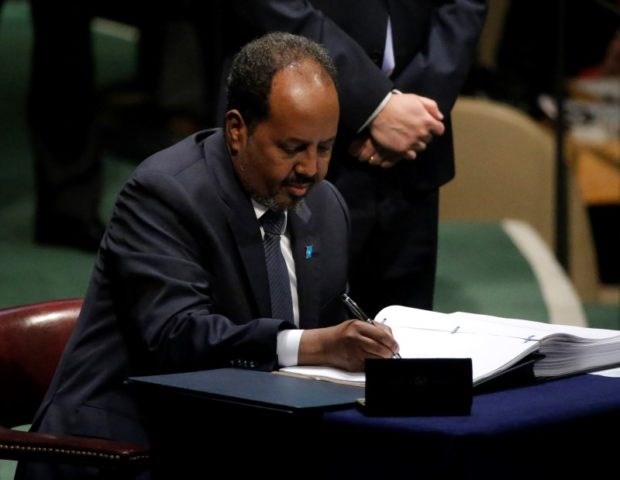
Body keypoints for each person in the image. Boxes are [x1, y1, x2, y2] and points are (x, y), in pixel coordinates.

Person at [16, 32, 399, 480]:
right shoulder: (166, 194)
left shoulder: (327, 208)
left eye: (325, 148)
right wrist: (313, 344)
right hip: (131, 449)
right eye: (292, 148)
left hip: (243, 441)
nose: (310, 170)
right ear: (237, 130)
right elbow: (176, 335)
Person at [211, 0, 488, 316]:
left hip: (412, 148)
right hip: (291, 131)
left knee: (403, 343)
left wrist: (418, 109)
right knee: (286, 339)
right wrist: (376, 103)